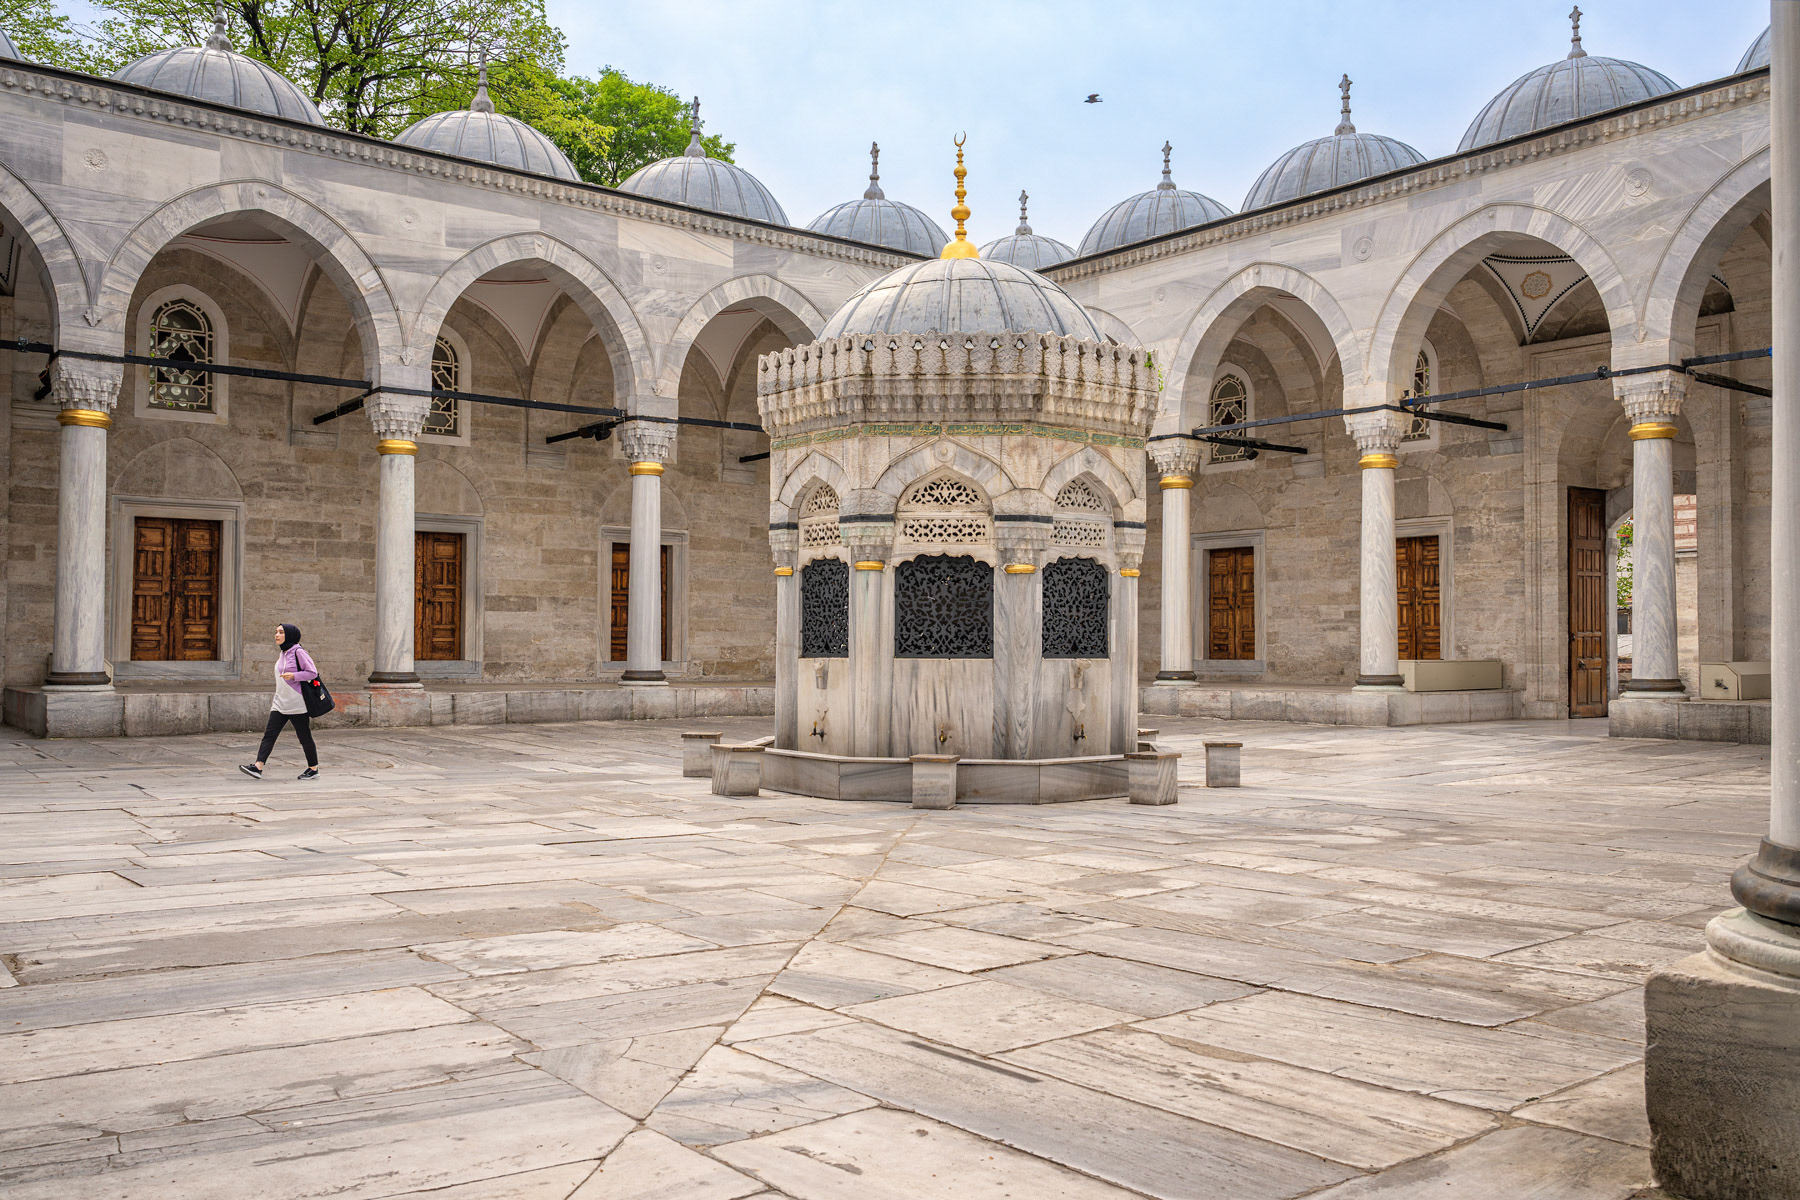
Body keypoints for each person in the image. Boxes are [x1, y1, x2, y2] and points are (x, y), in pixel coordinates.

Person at [240, 623, 320, 780]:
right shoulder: (283, 653)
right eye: (276, 632)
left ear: (289, 635)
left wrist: (294, 676)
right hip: (280, 702)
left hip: (296, 703)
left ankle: (313, 768)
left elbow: (312, 672)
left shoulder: (298, 651)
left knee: (304, 737)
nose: (277, 635)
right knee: (269, 735)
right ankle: (258, 767)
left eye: (281, 632)